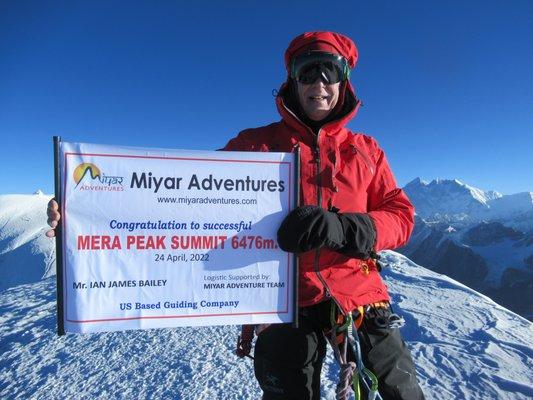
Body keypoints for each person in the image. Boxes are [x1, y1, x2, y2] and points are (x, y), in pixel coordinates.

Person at [47, 31, 425, 400]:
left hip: (356, 290)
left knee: (399, 388)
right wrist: (84, 209)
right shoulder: (254, 146)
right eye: (308, 70)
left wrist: (344, 227)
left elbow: (401, 216)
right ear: (292, 80)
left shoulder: (366, 151)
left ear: (345, 81)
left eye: (331, 70)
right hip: (278, 296)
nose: (320, 82)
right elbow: (179, 195)